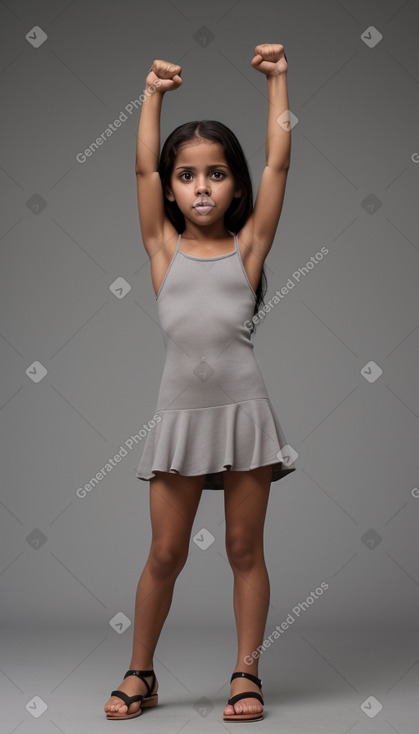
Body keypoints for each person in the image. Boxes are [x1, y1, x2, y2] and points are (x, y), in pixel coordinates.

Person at [104, 43, 296, 723]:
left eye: (216, 174)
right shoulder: (161, 248)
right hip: (180, 415)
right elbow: (138, 166)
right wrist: (152, 93)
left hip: (243, 413)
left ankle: (246, 672)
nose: (202, 186)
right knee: (164, 552)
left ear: (236, 186)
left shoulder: (249, 249)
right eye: (186, 176)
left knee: (244, 549)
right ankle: (140, 672)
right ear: (172, 187)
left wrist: (277, 82)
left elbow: (278, 159)